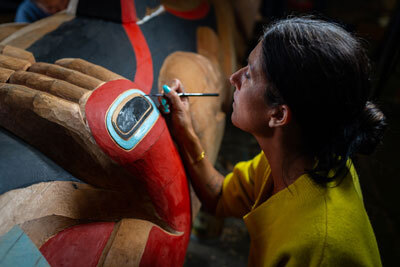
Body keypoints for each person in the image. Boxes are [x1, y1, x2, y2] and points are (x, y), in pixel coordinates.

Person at [161, 17, 385, 266]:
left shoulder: (319, 249)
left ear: (279, 114)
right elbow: (220, 196)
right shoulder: (295, 157)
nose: (234, 78)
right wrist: (185, 130)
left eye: (249, 74)